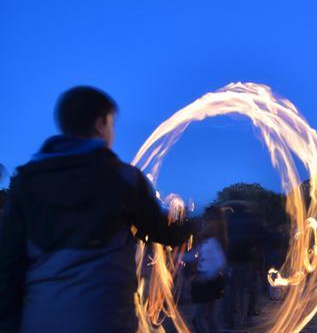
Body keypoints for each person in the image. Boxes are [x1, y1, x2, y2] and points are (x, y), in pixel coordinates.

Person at [0, 86, 192, 332]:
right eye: (111, 124)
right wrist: (184, 221)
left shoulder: (26, 183)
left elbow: (9, 262)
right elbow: (163, 233)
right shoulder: (123, 178)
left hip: (42, 319)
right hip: (105, 318)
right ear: (102, 123)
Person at [223, 200, 268, 328]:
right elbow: (263, 235)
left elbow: (223, 237)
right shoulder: (250, 219)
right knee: (249, 288)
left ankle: (230, 319)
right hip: (246, 259)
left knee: (233, 290)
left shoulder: (228, 219)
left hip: (231, 259)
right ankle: (247, 317)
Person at [192, 206, 228, 333]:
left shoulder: (213, 241)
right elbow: (199, 255)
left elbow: (221, 263)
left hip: (209, 283)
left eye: (206, 221)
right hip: (209, 282)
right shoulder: (208, 240)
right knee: (210, 316)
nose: (203, 223)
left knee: (199, 318)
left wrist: (206, 276)